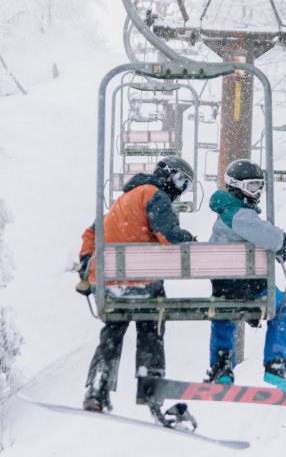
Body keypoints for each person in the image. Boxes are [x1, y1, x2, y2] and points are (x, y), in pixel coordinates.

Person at [76, 157, 196, 412]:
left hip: (111, 284)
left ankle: (98, 386)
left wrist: (88, 265)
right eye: (182, 182)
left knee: (113, 331)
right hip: (143, 283)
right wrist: (189, 239)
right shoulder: (155, 195)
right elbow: (169, 237)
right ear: (169, 176)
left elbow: (91, 234)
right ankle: (150, 386)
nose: (181, 189)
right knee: (151, 326)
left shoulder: (124, 200)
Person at [206, 159, 286, 393]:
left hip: (223, 289)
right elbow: (271, 237)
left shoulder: (224, 214)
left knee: (223, 314)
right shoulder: (239, 215)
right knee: (280, 307)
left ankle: (221, 366)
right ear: (236, 186)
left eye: (260, 186)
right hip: (250, 287)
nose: (258, 192)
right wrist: (285, 241)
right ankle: (276, 363)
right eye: (252, 187)